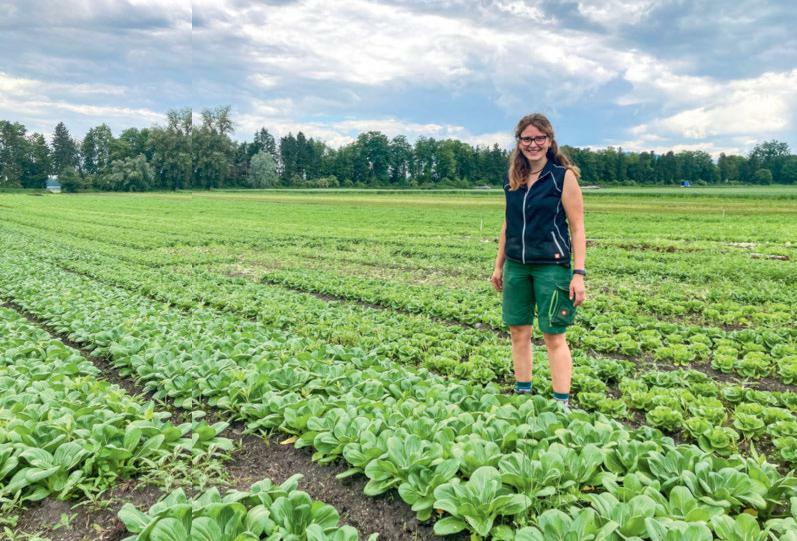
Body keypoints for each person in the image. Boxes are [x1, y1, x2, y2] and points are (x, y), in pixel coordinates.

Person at [490, 113, 586, 410]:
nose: (533, 144)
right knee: (519, 330)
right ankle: (523, 393)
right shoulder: (513, 179)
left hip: (551, 265)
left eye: (539, 138)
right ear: (519, 142)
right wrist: (499, 265)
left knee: (553, 334)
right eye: (527, 138)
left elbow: (577, 226)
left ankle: (561, 403)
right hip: (517, 265)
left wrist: (578, 273)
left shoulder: (562, 176)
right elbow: (508, 224)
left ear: (549, 141)